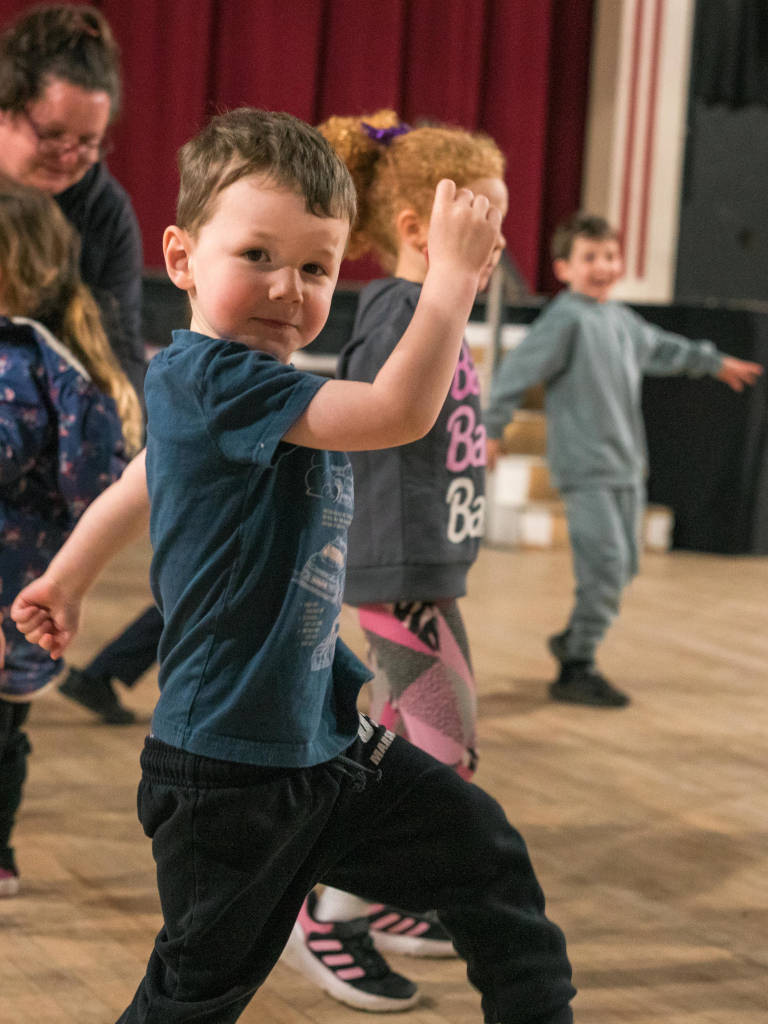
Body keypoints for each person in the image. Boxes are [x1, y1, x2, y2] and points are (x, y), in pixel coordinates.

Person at [12, 108, 575, 1024]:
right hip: (227, 775)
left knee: (484, 854)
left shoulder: (229, 388)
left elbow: (144, 476)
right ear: (183, 258)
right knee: (194, 998)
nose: (288, 287)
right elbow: (399, 411)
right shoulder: (213, 377)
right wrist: (454, 285)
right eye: (258, 257)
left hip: (323, 746)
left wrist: (68, 579)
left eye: (316, 268)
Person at [277, 109, 508, 1011]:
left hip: (427, 575)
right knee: (440, 748)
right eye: (481, 222)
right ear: (419, 230)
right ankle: (327, 912)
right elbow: (369, 420)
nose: (496, 243)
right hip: (398, 575)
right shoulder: (401, 310)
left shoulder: (434, 309)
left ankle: (398, 896)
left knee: (437, 744)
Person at [484, 212, 764, 709]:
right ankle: (576, 666)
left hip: (627, 469)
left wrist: (714, 363)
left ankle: (573, 642)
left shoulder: (619, 321)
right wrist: (491, 430)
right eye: (589, 258)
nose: (603, 266)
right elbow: (517, 371)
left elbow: (664, 348)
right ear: (565, 268)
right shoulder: (564, 320)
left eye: (609, 256)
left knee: (625, 567)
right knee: (607, 569)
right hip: (585, 472)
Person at [0, 3, 155, 726]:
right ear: (6, 109)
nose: (68, 155)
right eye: (50, 134)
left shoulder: (104, 213)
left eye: (88, 143)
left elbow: (119, 367)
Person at [0, 179, 141, 898]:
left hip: (11, 597)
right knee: (7, 734)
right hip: (29, 592)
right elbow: (97, 484)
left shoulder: (19, 363)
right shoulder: (64, 362)